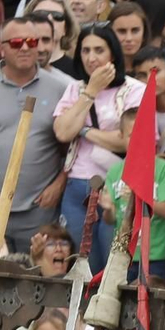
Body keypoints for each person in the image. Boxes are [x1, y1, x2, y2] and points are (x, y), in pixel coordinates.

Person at [0, 13, 73, 253]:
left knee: (40, 283)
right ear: (1, 49)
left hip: (41, 211)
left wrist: (59, 184)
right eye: (17, 43)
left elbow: (73, 148)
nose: (26, 48)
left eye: (32, 42)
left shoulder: (62, 88)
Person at [51, 23, 143, 274]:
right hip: (78, 184)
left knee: (112, 264)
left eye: (99, 50)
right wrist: (90, 91)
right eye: (85, 50)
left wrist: (84, 131)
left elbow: (129, 141)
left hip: (117, 184)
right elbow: (62, 131)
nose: (91, 58)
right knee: (80, 264)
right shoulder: (76, 89)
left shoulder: (134, 90)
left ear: (113, 53)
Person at [90, 105, 165, 277]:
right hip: (123, 254)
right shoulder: (115, 171)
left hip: (153, 255)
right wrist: (108, 209)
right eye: (132, 135)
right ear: (121, 136)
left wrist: (140, 194)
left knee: (151, 301)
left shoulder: (162, 168)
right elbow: (110, 219)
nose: (138, 140)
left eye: (143, 134)